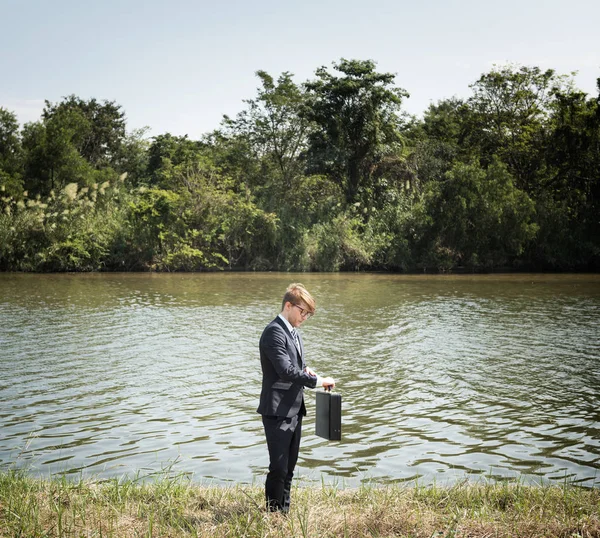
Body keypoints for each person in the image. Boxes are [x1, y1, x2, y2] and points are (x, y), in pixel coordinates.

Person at [257, 283, 335, 513]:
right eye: (303, 311)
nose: (305, 317)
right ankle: (273, 514)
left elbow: (295, 365)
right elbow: (284, 370)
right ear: (288, 305)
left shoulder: (294, 332)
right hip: (277, 411)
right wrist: (319, 381)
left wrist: (308, 369)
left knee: (290, 467)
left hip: (294, 408)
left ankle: (285, 513)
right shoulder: (273, 331)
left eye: (308, 314)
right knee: (279, 468)